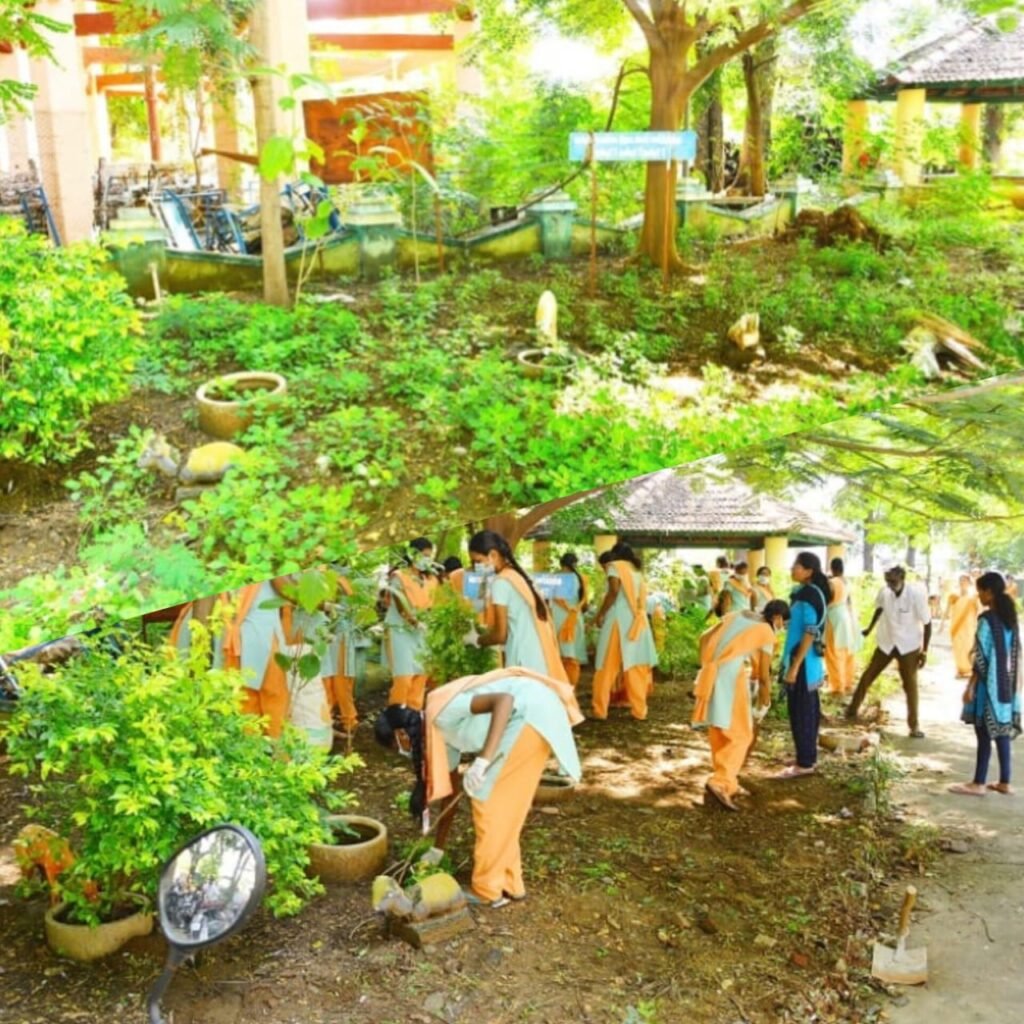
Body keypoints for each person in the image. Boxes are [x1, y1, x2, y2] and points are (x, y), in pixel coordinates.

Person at [376, 667, 583, 908]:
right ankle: (511, 884)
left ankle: (487, 889)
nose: (403, 752)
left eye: (396, 746)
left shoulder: (439, 712)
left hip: (528, 714)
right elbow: (449, 796)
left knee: (486, 800)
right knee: (506, 808)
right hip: (536, 717)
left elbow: (504, 701)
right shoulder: (435, 738)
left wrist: (484, 759)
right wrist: (437, 850)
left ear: (401, 734)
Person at [693, 600, 790, 810]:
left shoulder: (737, 615)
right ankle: (721, 783)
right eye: (784, 624)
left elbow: (703, 638)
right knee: (742, 734)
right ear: (778, 618)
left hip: (711, 674)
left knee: (720, 728)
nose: (782, 629)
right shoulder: (766, 630)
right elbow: (764, 676)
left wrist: (707, 664)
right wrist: (765, 702)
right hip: (731, 678)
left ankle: (727, 780)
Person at [949, 572, 1022, 797]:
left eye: (980, 590)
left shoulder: (987, 620)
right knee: (1001, 732)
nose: (978, 595)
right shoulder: (1010, 619)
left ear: (989, 592)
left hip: (988, 685)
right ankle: (1004, 782)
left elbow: (981, 658)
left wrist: (970, 686)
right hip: (1006, 686)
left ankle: (978, 783)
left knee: (983, 733)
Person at [469, 531, 568, 683]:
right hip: (539, 655)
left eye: (478, 561)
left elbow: (500, 635)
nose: (476, 567)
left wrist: (476, 640)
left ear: (493, 555)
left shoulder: (501, 582)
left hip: (524, 659)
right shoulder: (517, 575)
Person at [845, 566, 931, 738]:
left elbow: (927, 623)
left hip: (908, 645)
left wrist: (925, 651)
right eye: (887, 581)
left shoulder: (916, 595)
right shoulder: (884, 592)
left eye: (893, 581)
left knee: (910, 685)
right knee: (868, 675)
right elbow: (879, 609)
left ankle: (914, 726)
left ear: (902, 578)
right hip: (886, 642)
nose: (890, 585)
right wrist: (869, 628)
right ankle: (851, 711)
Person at [776, 553, 831, 779]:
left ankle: (805, 763)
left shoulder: (809, 594)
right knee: (806, 710)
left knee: (802, 712)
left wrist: (794, 666)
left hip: (804, 664)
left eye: (796, 566)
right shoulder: (804, 592)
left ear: (809, 570)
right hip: (805, 662)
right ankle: (805, 755)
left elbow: (810, 631)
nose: (792, 569)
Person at [592, 542, 658, 721]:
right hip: (638, 622)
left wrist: (599, 615)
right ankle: (639, 711)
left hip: (618, 621)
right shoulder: (637, 573)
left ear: (615, 555)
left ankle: (600, 710)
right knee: (636, 667)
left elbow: (613, 592)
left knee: (605, 665)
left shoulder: (615, 567)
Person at [385, 539, 439, 710]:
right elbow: (401, 605)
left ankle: (412, 718)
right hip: (401, 632)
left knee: (420, 676)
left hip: (422, 634)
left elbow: (433, 606)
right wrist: (414, 622)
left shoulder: (431, 580)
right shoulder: (399, 576)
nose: (427, 560)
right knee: (404, 677)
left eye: (429, 557)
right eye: (424, 556)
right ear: (412, 555)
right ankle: (396, 721)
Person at [550, 551, 589, 686]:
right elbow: (584, 599)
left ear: (561, 563)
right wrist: (575, 608)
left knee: (561, 651)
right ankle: (572, 684)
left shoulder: (555, 577)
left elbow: (554, 597)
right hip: (575, 615)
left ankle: (561, 683)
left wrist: (567, 608)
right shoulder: (580, 577)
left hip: (560, 615)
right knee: (572, 651)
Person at [824, 558, 860, 696]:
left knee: (833, 652)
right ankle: (847, 683)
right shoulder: (846, 582)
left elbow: (827, 600)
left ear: (831, 567)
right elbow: (849, 601)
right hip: (846, 615)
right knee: (847, 650)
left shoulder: (832, 582)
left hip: (834, 617)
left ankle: (837, 687)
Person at [947, 574, 980, 680]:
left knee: (968, 647)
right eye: (961, 580)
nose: (962, 582)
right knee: (957, 648)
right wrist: (942, 625)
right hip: (956, 626)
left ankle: (969, 669)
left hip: (969, 626)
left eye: (965, 580)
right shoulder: (954, 596)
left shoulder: (973, 597)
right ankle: (959, 670)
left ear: (969, 583)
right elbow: (947, 611)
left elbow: (978, 611)